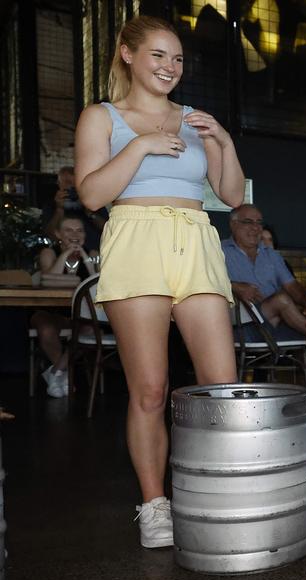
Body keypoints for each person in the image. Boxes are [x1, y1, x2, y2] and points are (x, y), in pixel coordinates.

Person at [73, 15, 244, 548]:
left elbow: (233, 197)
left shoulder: (194, 119)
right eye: (158, 56)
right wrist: (141, 145)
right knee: (150, 389)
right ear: (127, 54)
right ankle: (154, 504)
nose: (171, 67)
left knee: (222, 384)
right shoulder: (101, 117)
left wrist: (223, 141)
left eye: (177, 59)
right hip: (136, 237)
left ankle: (216, 491)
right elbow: (92, 196)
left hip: (195, 237)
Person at [223, 204, 306, 414]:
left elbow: (292, 286)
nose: (255, 228)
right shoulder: (220, 250)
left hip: (278, 323)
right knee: (284, 301)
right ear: (233, 224)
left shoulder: (271, 255)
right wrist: (234, 285)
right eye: (248, 222)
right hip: (244, 326)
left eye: (259, 222)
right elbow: (205, 280)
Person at [30, 215, 98, 398]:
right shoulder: (49, 253)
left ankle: (56, 372)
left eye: (79, 230)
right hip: (47, 311)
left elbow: (96, 283)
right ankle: (65, 375)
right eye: (69, 230)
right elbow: (49, 281)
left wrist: (84, 257)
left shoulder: (90, 255)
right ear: (58, 234)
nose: (75, 234)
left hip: (79, 315)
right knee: (46, 329)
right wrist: (65, 254)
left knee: (91, 331)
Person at [42, 165, 108, 248]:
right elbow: (49, 234)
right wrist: (59, 209)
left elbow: (108, 229)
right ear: (59, 183)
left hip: (94, 251)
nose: (72, 187)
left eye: (76, 183)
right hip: (64, 253)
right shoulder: (51, 204)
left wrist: (90, 211)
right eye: (68, 182)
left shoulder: (93, 201)